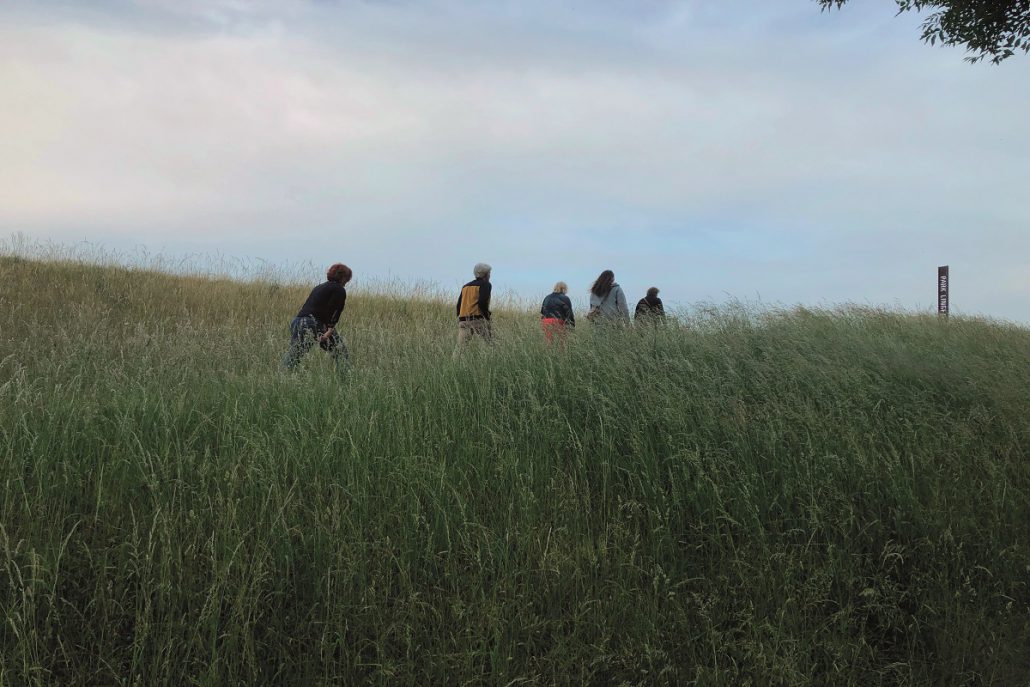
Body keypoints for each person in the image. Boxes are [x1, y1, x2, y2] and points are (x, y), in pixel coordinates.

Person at [282, 263, 351, 369]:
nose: (347, 282)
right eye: (347, 279)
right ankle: (346, 382)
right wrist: (329, 330)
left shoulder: (319, 287)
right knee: (340, 352)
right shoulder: (339, 289)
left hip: (297, 321)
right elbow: (335, 310)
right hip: (312, 323)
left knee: (294, 356)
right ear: (342, 277)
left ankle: (283, 377)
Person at [455, 262, 492, 349]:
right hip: (478, 320)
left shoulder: (465, 286)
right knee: (490, 344)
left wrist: (460, 317)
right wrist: (487, 317)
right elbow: (482, 302)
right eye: (489, 273)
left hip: (463, 320)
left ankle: (454, 362)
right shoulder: (486, 284)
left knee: (460, 349)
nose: (490, 276)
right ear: (485, 275)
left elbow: (458, 305)